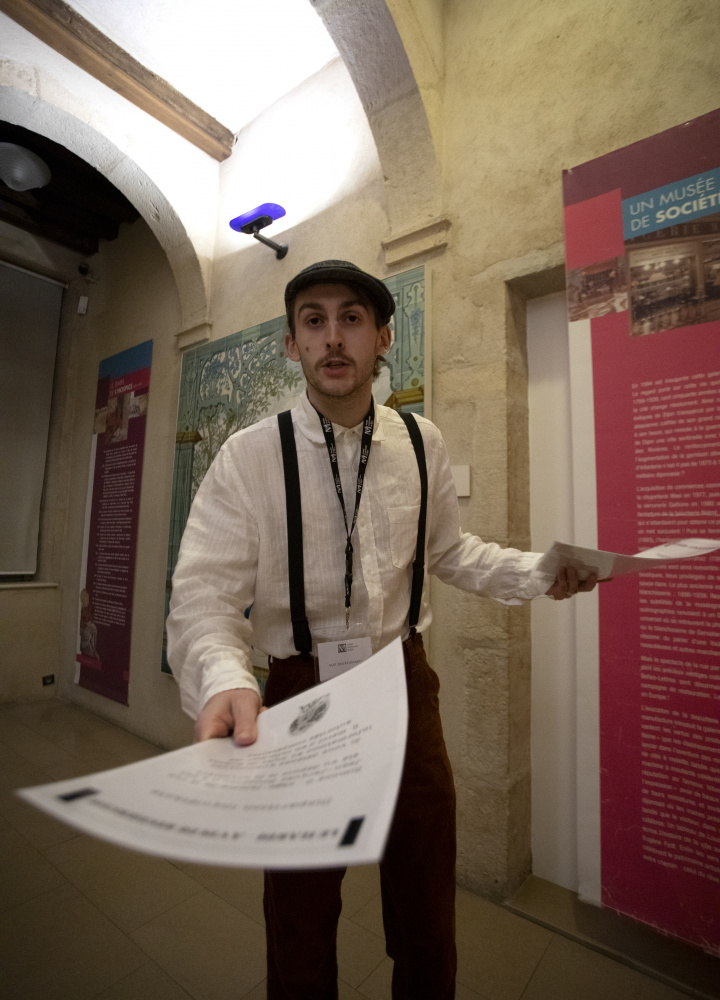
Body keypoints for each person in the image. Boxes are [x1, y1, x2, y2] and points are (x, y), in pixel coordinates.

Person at [167, 259, 596, 1000]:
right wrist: (228, 680)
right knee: (300, 910)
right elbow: (203, 594)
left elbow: (451, 553)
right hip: (299, 694)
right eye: (314, 320)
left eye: (352, 319)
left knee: (427, 897)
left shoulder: (419, 441)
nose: (333, 338)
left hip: (404, 683)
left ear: (382, 337)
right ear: (292, 345)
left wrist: (537, 572)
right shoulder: (249, 456)